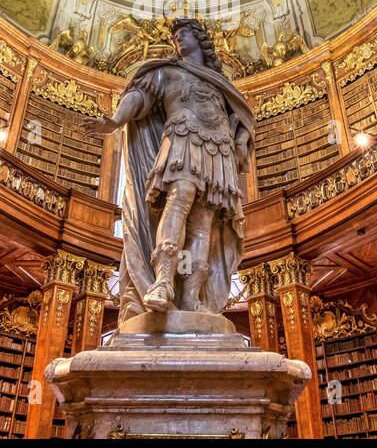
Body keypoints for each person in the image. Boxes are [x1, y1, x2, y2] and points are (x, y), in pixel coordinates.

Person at [83, 19, 253, 320]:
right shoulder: (165, 71)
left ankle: (191, 297)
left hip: (219, 150)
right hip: (183, 140)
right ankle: (162, 282)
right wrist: (115, 120)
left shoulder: (218, 82)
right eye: (174, 36)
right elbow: (139, 97)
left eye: (182, 34)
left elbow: (242, 117)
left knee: (203, 222)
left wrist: (241, 140)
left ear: (199, 38)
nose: (177, 40)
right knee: (178, 198)